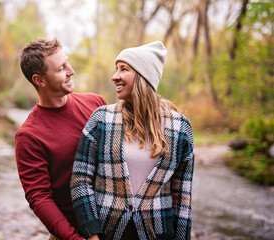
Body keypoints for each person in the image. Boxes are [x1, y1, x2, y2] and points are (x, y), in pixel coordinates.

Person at [70, 41, 194, 240]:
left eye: (123, 69)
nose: (114, 76)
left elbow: (183, 198)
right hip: (105, 233)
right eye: (115, 69)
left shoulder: (180, 128)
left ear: (144, 76)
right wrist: (91, 232)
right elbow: (80, 180)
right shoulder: (101, 118)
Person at [15, 39, 106, 240]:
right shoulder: (29, 136)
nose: (71, 70)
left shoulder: (96, 104)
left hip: (115, 225)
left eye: (68, 63)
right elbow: (40, 198)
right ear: (40, 80)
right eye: (61, 68)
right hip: (73, 233)